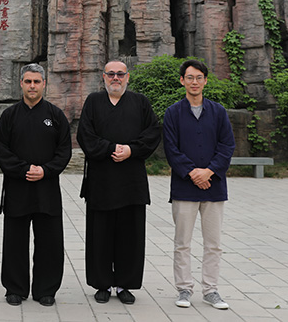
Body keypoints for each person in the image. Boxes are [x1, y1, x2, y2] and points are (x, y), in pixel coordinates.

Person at [77, 60, 161, 305]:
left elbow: (153, 132)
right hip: (101, 181)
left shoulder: (140, 102)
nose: (116, 78)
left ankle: (125, 284)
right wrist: (111, 148)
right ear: (103, 77)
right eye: (111, 74)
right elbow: (85, 135)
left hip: (131, 182)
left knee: (130, 237)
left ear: (127, 77)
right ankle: (102, 283)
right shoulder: (93, 101)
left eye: (120, 74)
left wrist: (131, 150)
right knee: (100, 236)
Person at [0, 64, 71, 307]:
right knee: (15, 241)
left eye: (36, 82)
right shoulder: (9, 116)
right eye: (28, 81)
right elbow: (2, 150)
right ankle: (15, 288)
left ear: (44, 84)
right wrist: (24, 169)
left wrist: (45, 170)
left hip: (47, 189)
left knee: (50, 242)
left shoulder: (55, 116)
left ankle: (46, 289)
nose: (32, 86)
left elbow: (64, 151)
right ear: (21, 83)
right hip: (17, 188)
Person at [163, 59, 235, 310]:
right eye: (190, 77)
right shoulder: (173, 113)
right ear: (182, 80)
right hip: (184, 187)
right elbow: (171, 149)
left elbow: (227, 145)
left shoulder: (218, 112)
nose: (194, 82)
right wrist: (193, 173)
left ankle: (211, 290)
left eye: (199, 77)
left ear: (205, 81)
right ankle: (184, 289)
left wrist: (209, 172)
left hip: (214, 186)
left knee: (213, 243)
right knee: (182, 242)